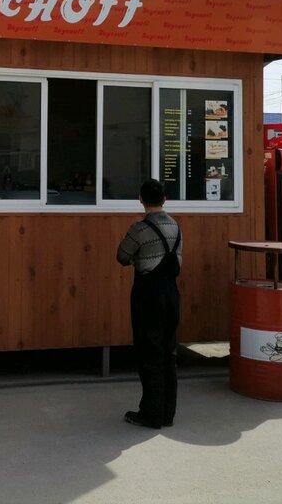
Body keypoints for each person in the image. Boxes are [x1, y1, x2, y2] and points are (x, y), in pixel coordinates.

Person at [116, 178, 182, 429]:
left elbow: (122, 256)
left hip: (148, 295)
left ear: (141, 200)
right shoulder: (176, 226)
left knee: (149, 352)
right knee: (169, 351)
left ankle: (151, 413)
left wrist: (139, 258)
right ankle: (167, 413)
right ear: (165, 199)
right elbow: (178, 262)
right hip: (172, 293)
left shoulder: (139, 229)